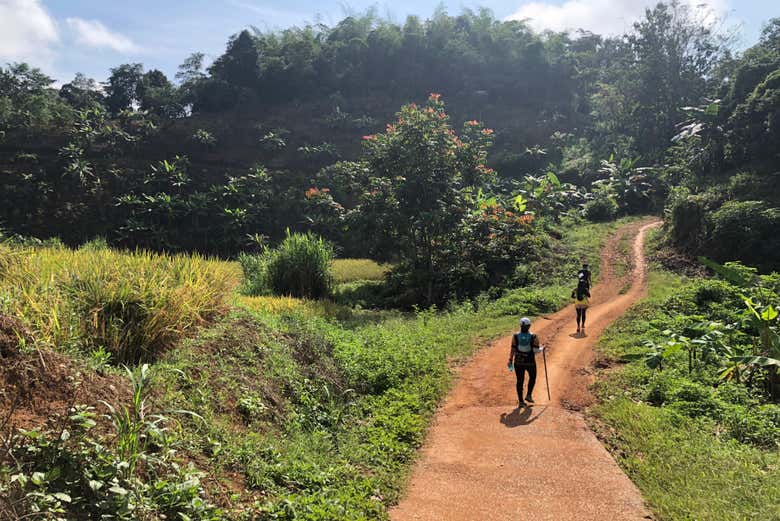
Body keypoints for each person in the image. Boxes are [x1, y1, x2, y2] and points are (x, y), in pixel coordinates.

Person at [507, 317, 544, 407]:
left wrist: (510, 359)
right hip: (530, 361)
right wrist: (542, 349)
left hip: (518, 362)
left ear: (520, 326)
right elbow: (535, 350)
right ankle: (528, 395)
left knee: (519, 381)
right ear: (529, 326)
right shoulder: (534, 336)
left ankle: (521, 401)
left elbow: (513, 348)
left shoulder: (515, 336)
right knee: (532, 377)